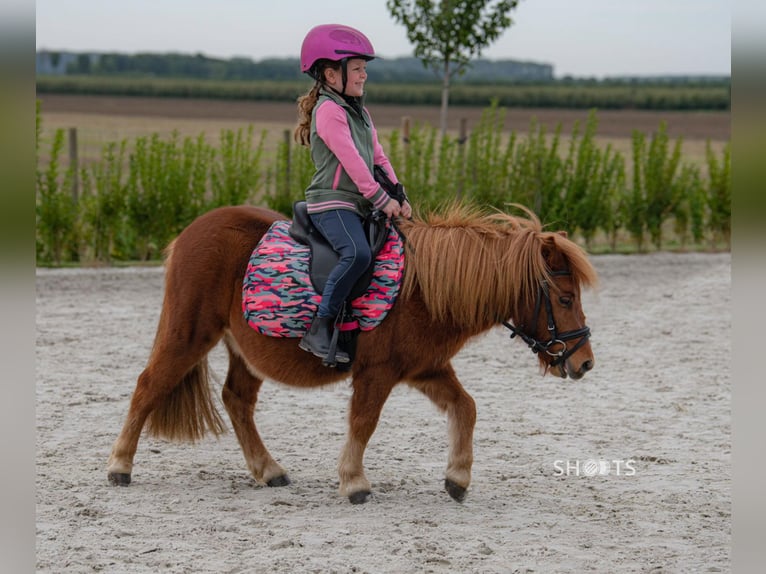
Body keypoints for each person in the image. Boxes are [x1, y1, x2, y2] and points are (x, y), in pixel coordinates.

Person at [294, 23, 412, 364]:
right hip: (332, 204)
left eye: (364, 69)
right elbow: (353, 164)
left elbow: (377, 158)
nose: (363, 76)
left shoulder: (359, 112)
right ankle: (321, 324)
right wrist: (380, 199)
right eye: (357, 69)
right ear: (332, 75)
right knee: (357, 254)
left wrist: (399, 194)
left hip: (358, 203)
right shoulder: (329, 112)